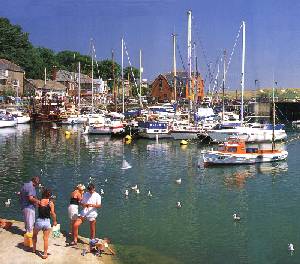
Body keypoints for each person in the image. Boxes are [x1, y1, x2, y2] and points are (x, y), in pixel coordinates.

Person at [32, 188, 57, 259]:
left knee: (34, 235)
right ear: (49, 195)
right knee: (45, 238)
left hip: (39, 221)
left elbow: (38, 207)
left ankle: (34, 249)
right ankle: (45, 254)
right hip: (47, 222)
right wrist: (55, 221)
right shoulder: (51, 203)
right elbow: (53, 213)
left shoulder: (39, 202)